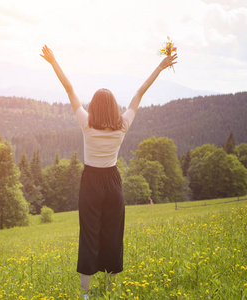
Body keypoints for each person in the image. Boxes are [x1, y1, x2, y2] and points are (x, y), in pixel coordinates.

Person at [41, 45, 177, 299]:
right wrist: (160, 66)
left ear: (93, 106)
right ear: (114, 107)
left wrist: (53, 62)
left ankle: (84, 294)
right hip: (113, 183)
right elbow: (139, 93)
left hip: (91, 182)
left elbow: (69, 89)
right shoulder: (122, 125)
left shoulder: (86, 124)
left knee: (89, 235)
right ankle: (110, 290)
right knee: (113, 234)